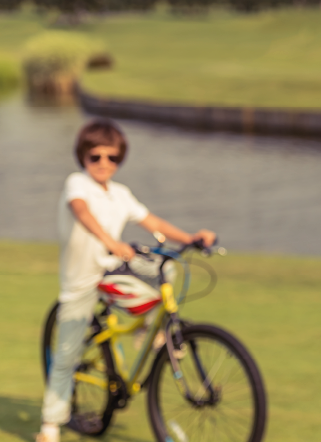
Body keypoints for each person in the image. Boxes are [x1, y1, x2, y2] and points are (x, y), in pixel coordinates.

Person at [37, 119, 216, 442]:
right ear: (83, 157)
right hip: (81, 279)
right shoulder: (77, 184)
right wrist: (109, 240)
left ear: (120, 159)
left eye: (112, 157)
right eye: (95, 156)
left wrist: (191, 238)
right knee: (66, 354)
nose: (104, 163)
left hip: (112, 270)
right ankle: (50, 424)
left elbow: (152, 221)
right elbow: (81, 212)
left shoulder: (121, 194)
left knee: (165, 268)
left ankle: (150, 328)